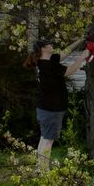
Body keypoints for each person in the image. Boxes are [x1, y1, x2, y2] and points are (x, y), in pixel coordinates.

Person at [32, 39, 86, 171]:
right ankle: (44, 171)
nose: (52, 45)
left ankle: (40, 168)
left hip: (45, 108)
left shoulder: (46, 62)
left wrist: (80, 40)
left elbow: (64, 53)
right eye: (49, 44)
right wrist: (83, 57)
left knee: (44, 138)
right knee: (48, 140)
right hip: (52, 110)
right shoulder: (48, 66)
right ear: (43, 49)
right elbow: (70, 70)